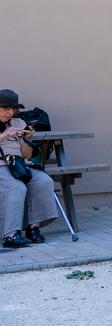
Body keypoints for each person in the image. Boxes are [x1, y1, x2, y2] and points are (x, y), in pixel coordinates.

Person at [0, 89, 58, 248]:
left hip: (18, 163)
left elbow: (27, 155)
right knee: (16, 187)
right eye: (5, 108)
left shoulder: (18, 122)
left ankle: (33, 227)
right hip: (1, 165)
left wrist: (25, 139)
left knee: (43, 181)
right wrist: (5, 135)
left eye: (12, 109)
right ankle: (10, 235)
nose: (10, 112)